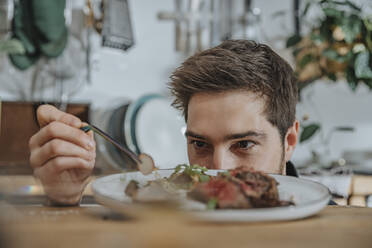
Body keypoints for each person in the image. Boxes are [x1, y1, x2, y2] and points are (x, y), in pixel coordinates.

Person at [29, 40, 299, 205]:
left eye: (244, 144)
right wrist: (64, 199)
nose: (219, 170)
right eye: (200, 144)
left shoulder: (334, 229)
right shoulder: (164, 220)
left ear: (289, 142)